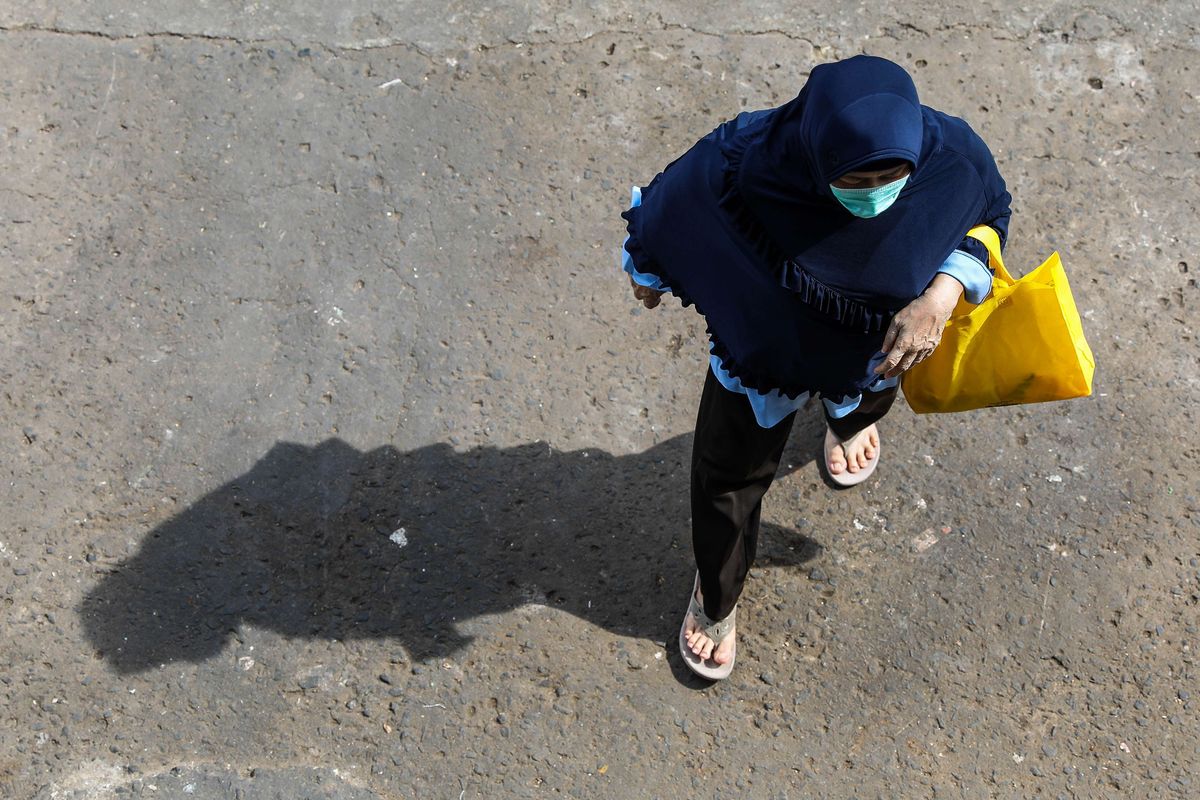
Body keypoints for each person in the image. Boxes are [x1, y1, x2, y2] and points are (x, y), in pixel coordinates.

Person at [619, 55, 1011, 680]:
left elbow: (988, 215)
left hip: (875, 349)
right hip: (762, 361)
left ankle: (848, 419)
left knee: (865, 396)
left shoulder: (951, 155)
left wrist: (939, 297)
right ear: (817, 151)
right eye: (856, 179)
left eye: (894, 176)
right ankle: (715, 600)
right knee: (727, 481)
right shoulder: (746, 157)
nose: (877, 194)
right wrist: (649, 269)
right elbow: (675, 206)